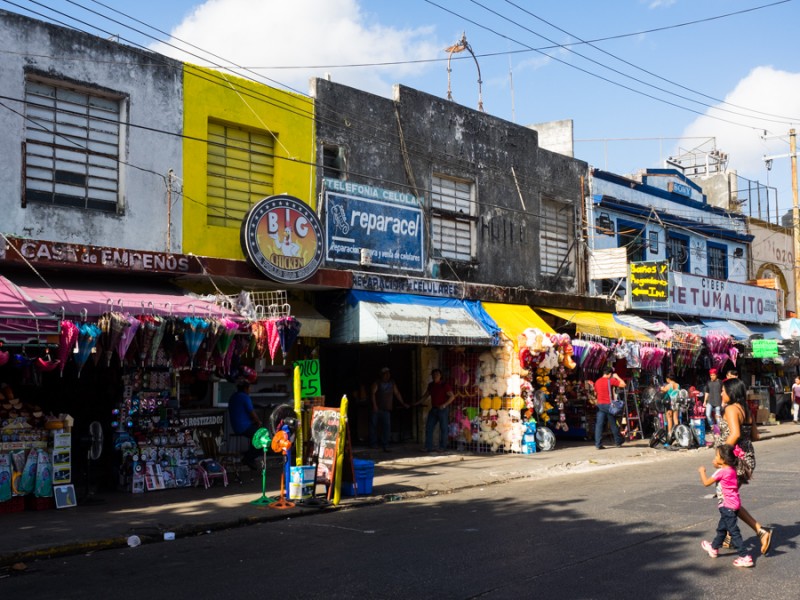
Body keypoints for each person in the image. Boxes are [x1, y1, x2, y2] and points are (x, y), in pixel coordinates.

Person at [714, 377, 773, 555]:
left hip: (733, 460)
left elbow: (735, 434)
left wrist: (719, 455)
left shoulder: (731, 408)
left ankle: (760, 531)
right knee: (728, 498)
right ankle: (728, 537)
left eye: (723, 390)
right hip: (747, 458)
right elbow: (755, 435)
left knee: (727, 500)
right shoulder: (745, 409)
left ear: (731, 392)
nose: (721, 393)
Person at [698, 444, 754, 568]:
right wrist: (718, 464)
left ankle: (745, 556)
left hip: (727, 506)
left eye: (717, 456)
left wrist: (702, 472)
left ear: (723, 460)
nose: (715, 457)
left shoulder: (721, 471)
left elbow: (706, 483)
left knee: (734, 532)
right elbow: (723, 470)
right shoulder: (731, 470)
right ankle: (713, 548)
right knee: (722, 529)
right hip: (733, 505)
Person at [370, 367, 408, 452]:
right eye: (385, 373)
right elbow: (372, 394)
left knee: (386, 427)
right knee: (374, 426)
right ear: (382, 375)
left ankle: (385, 444)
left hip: (386, 409)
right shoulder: (377, 383)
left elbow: (397, 393)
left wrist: (403, 403)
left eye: (388, 373)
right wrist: (375, 405)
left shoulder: (392, 383)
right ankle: (373, 443)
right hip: (377, 409)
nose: (387, 375)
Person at [227, 379, 263, 469]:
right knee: (262, 437)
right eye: (249, 388)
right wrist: (258, 421)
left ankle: (249, 456)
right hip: (244, 427)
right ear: (246, 388)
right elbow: (251, 412)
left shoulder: (233, 397)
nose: (250, 390)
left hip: (236, 426)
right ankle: (248, 458)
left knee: (255, 436)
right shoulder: (244, 397)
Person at [417, 368, 454, 452]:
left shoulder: (444, 385)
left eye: (437, 374)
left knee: (443, 429)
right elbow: (425, 396)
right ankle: (428, 447)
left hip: (442, 409)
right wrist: (416, 403)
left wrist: (444, 405)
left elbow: (452, 396)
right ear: (432, 376)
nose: (435, 376)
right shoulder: (431, 385)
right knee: (429, 427)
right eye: (433, 374)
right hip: (434, 409)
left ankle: (442, 447)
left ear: (440, 376)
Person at [593, 366, 625, 449]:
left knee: (599, 425)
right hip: (608, 405)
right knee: (613, 424)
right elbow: (623, 384)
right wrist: (617, 377)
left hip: (600, 405)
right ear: (610, 374)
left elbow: (595, 393)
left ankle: (598, 444)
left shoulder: (597, 381)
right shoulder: (610, 380)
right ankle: (618, 441)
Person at [660, 373, 680, 440]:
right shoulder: (678, 385)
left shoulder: (668, 385)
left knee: (669, 419)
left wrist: (661, 388)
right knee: (676, 419)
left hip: (670, 403)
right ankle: (677, 434)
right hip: (676, 403)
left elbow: (663, 391)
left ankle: (670, 434)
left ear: (668, 379)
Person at [703, 368, 723, 432]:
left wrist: (723, 401)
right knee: (708, 414)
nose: (712, 376)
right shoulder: (708, 383)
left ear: (716, 375)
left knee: (718, 416)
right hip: (710, 401)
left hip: (718, 401)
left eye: (713, 375)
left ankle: (718, 428)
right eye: (711, 375)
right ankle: (712, 426)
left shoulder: (720, 382)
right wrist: (704, 401)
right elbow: (707, 392)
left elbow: (723, 391)